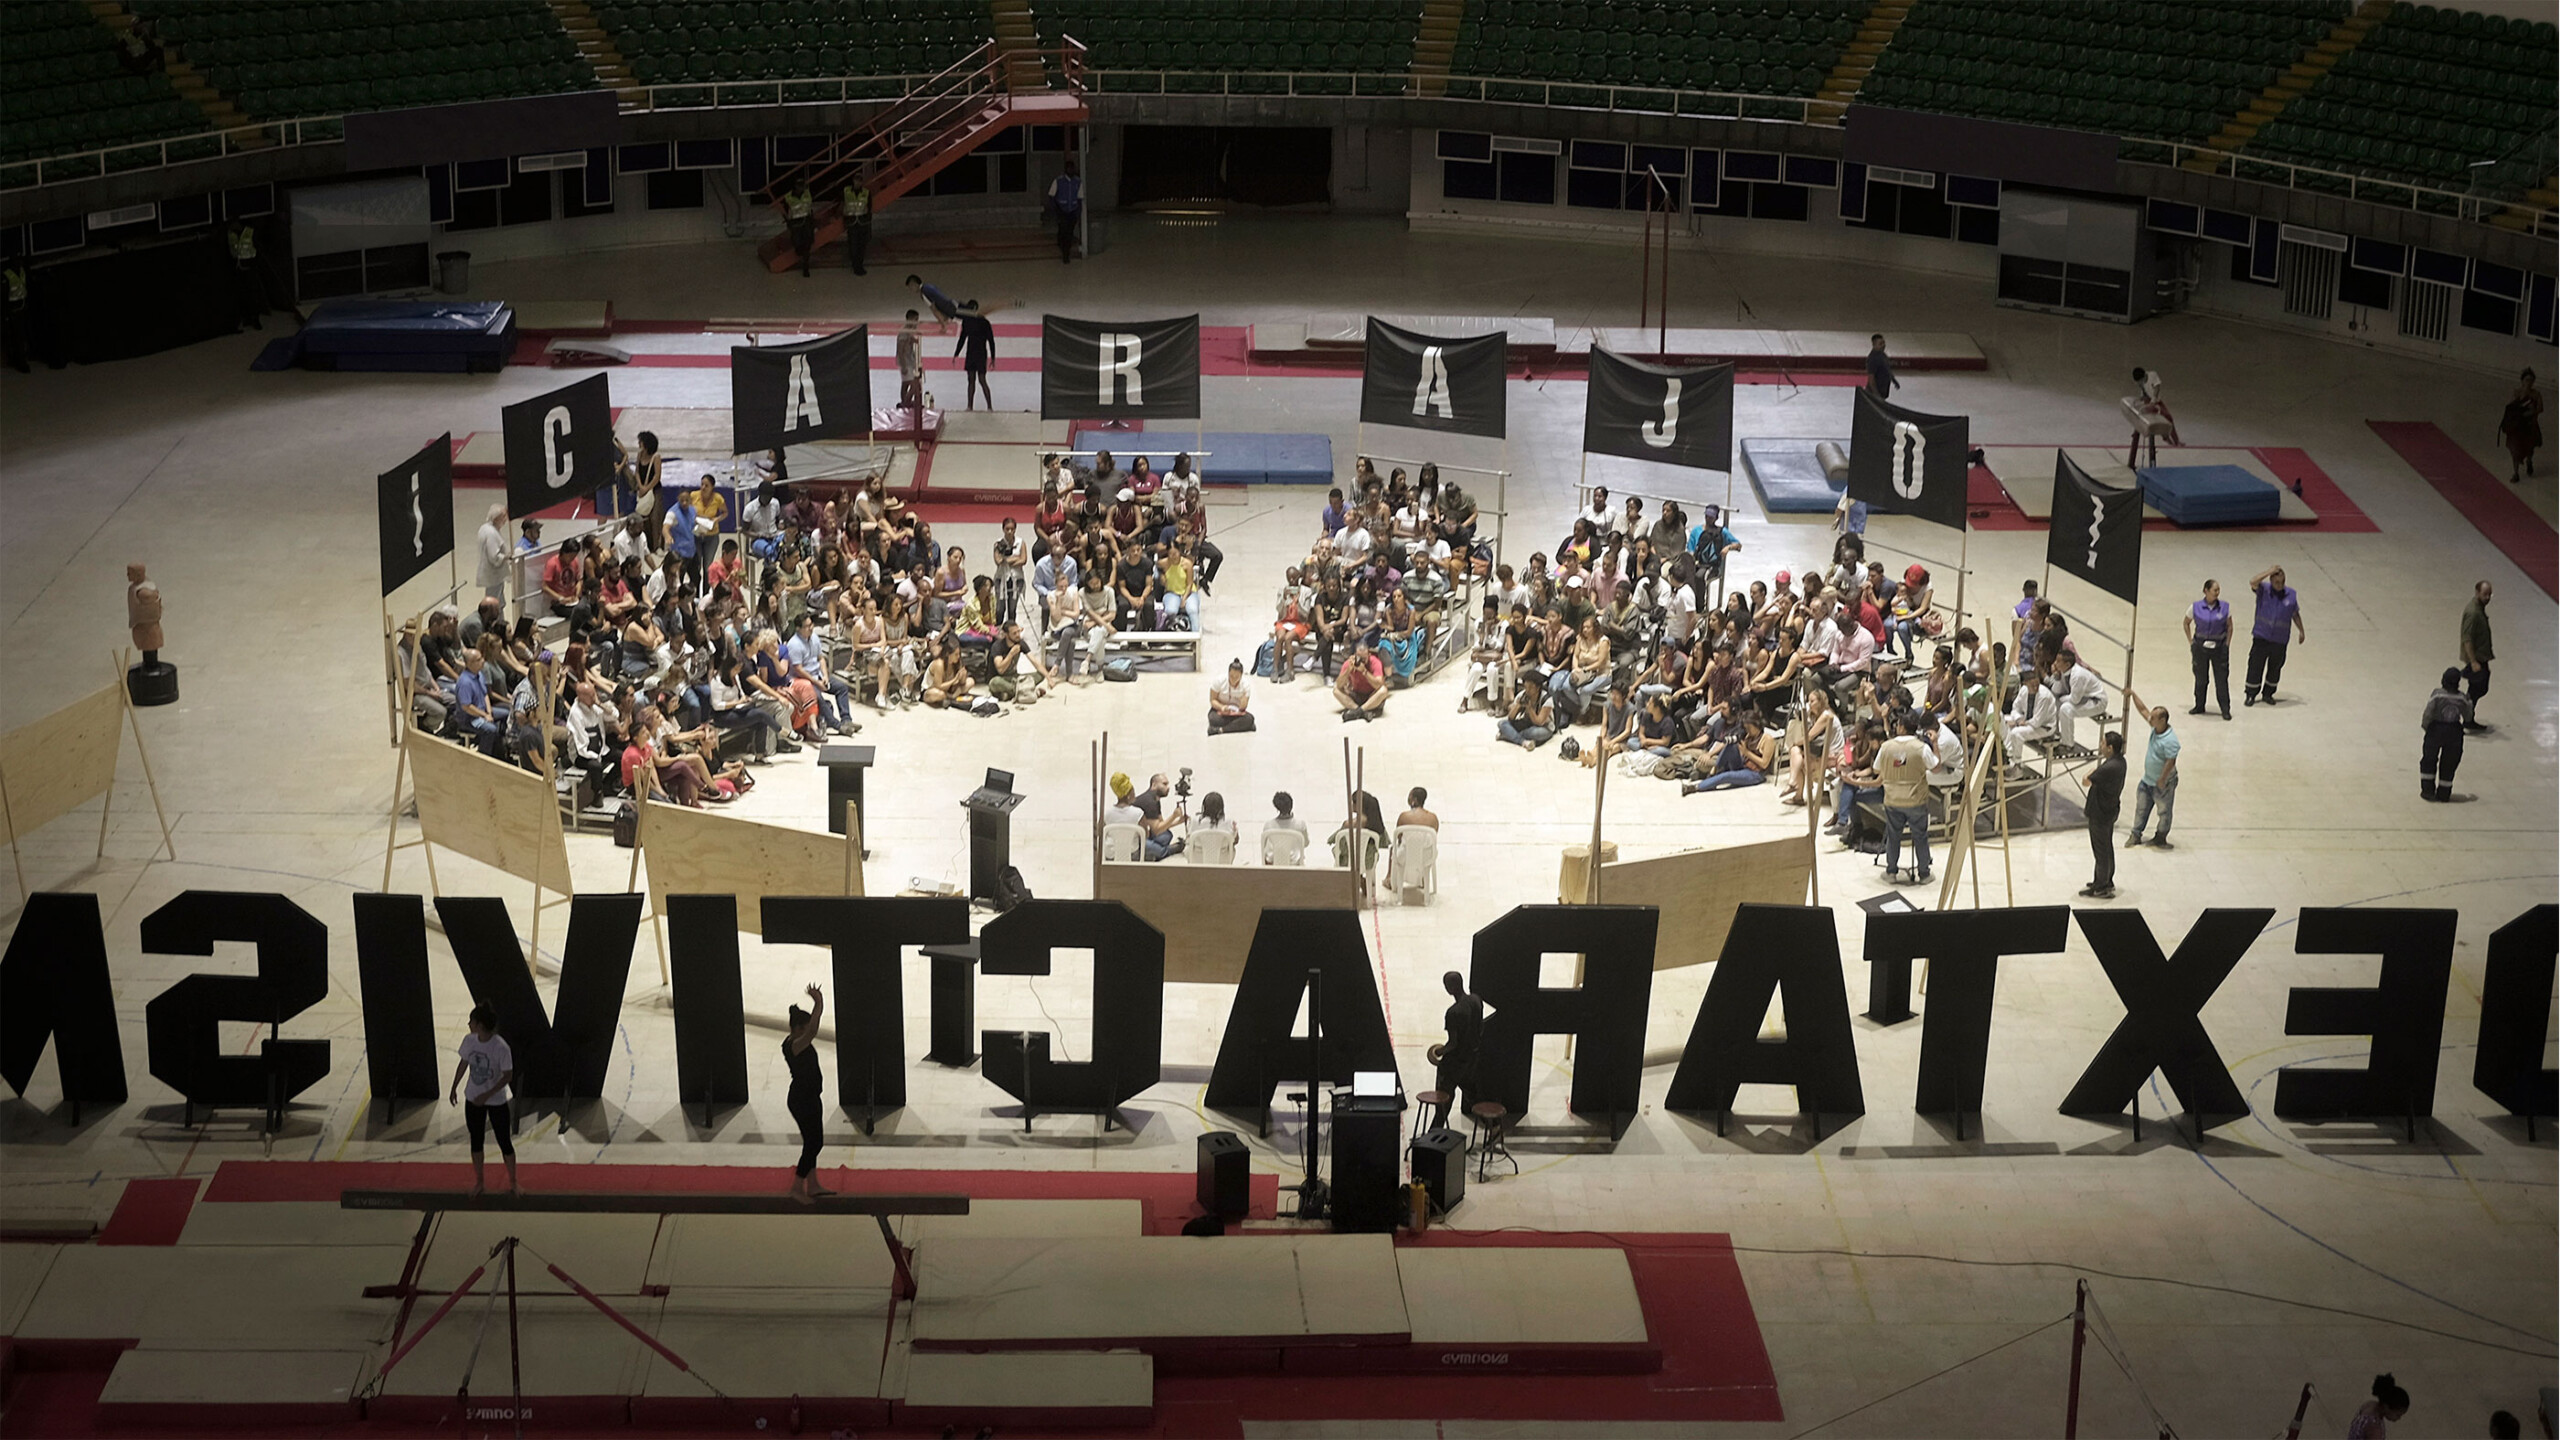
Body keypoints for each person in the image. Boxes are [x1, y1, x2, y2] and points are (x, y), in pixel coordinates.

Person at [447, 1005, 519, 1197]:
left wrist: (486, 1095)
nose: (468, 1024)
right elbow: (463, 1063)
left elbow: (508, 1076)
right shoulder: (469, 1041)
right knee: (476, 1140)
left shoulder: (500, 1047)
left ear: (479, 1025)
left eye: (471, 1021)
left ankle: (513, 1182)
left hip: (496, 1101)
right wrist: (454, 1086)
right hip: (473, 1099)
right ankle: (479, 1181)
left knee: (504, 1141)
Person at [783, 984, 830, 1203]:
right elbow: (813, 1030)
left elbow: (811, 1027)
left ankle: (812, 1184)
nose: (809, 1029)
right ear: (797, 1028)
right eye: (806, 1026)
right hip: (801, 1100)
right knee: (814, 1143)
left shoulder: (798, 1039)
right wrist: (818, 1003)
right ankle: (796, 1186)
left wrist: (817, 1005)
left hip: (811, 1097)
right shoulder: (794, 1045)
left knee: (814, 1140)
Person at [1877, 713, 1935, 885]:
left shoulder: (1886, 747)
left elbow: (1876, 768)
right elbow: (1934, 766)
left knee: (1893, 836)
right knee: (1920, 836)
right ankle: (1924, 873)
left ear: (1901, 726)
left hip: (1892, 799)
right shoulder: (1921, 747)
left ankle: (1891, 872)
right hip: (1916, 800)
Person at [2121, 689, 2179, 849]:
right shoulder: (2156, 727)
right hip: (2148, 780)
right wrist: (2133, 695)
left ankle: (2161, 836)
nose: (2150, 719)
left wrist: (2162, 779)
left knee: (2164, 811)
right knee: (2141, 808)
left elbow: (2171, 761)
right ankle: (2136, 834)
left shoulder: (2170, 740)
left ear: (2163, 720)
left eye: (2153, 718)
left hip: (2163, 783)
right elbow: (2143, 710)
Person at [1426, 971, 1483, 1131]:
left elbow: (1453, 1043)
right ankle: (1493, 1126)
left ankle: (1434, 1132)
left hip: (1454, 1063)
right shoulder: (1476, 1000)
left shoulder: (1453, 1012)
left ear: (1450, 987)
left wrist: (1439, 1052)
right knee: (1472, 1094)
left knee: (1443, 1098)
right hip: (1471, 1059)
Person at [2243, 565, 2305, 706]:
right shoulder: (2263, 590)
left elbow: (2295, 614)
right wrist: (2270, 571)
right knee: (2255, 666)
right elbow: (2253, 581)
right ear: (2271, 581)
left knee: (2275, 667)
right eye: (2277, 582)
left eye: (2282, 582)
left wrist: (2301, 630)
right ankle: (2251, 694)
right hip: (2262, 636)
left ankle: (2268, 693)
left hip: (2280, 639)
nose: (2280, 585)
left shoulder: (2291, 594)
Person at [2081, 731, 2125, 899]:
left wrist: (2090, 772)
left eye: (2102, 743)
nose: (2100, 746)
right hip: (2109, 810)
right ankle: (2105, 880)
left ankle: (2101, 886)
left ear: (2110, 748)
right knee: (2106, 847)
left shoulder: (2109, 767)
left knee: (2101, 851)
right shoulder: (2121, 762)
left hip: (2100, 813)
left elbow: (2086, 781)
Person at [2420, 666, 2473, 802]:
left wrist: (2427, 728)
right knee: (2449, 763)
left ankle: (2427, 791)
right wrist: (2470, 702)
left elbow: (2428, 713)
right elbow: (2468, 717)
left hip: (2436, 729)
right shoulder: (2462, 698)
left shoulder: (2437, 694)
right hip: (2454, 732)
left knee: (2429, 760)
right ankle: (2444, 793)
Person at [2184, 578, 2232, 718]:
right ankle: (2199, 705)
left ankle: (2225, 709)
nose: (2217, 593)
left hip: (2219, 648)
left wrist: (2227, 644)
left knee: (2221, 679)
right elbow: (2186, 623)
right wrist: (2191, 642)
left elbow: (2230, 626)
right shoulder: (2195, 607)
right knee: (2200, 679)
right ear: (2206, 591)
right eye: (2214, 590)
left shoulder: (2225, 607)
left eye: (2218, 590)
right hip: (2200, 648)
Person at [2458, 580, 2494, 731]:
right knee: (2477, 689)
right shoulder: (2473, 612)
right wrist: (2473, 661)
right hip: (2477, 658)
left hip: (2481, 656)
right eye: (2485, 594)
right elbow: (2467, 639)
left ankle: (2468, 716)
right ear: (2477, 592)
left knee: (2479, 688)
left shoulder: (2479, 609)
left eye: (2489, 594)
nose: (2487, 597)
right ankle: (2466, 717)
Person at [2496, 367, 2542, 482]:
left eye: (2531, 380)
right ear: (2522, 381)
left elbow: (2540, 408)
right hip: (2517, 427)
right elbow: (2510, 407)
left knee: (2530, 448)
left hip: (2530, 426)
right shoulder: (2516, 392)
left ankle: (2529, 461)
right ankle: (2516, 473)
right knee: (2515, 450)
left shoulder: (2536, 394)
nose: (2529, 382)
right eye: (2527, 380)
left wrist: (2532, 412)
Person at [1334, 637, 1388, 721]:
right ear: (1355, 655)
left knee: (1383, 690)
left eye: (1364, 659)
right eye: (1359, 658)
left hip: (1372, 696)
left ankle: (1357, 712)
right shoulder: (1349, 663)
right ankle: (1362, 712)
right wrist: (1348, 670)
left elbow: (1379, 685)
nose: (1361, 661)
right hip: (1356, 695)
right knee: (1336, 690)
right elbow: (1339, 684)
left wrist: (1365, 672)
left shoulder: (1375, 662)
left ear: (1369, 655)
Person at [955, 302, 996, 410]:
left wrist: (993, 357)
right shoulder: (970, 321)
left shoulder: (983, 322)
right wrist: (956, 353)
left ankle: (988, 406)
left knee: (980, 380)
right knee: (972, 379)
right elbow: (962, 338)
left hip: (978, 353)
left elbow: (991, 341)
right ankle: (970, 406)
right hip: (975, 353)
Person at [1497, 677, 1555, 749]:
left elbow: (1539, 722)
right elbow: (1510, 718)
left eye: (1531, 687)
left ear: (1538, 688)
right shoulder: (1522, 695)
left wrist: (1530, 708)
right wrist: (1518, 706)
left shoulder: (1547, 699)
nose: (1527, 690)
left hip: (1544, 727)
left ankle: (1508, 735)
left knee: (1533, 733)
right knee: (1502, 723)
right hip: (1526, 723)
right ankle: (1523, 741)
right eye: (1525, 687)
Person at [2346, 1373, 2409, 1439]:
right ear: (2386, 1407)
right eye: (2398, 1415)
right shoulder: (2375, 1429)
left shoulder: (2369, 1404)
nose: (2399, 1418)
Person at [1047, 158, 1082, 263]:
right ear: (1066, 169)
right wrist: (1056, 210)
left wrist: (1078, 212)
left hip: (1073, 210)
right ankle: (1065, 253)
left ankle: (1066, 250)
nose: (1071, 170)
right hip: (1062, 210)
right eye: (1069, 168)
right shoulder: (1058, 181)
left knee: (1069, 232)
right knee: (1064, 231)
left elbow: (1080, 198)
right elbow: (1051, 196)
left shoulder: (1078, 182)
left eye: (1072, 168)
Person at [475, 503, 510, 606]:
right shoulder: (491, 534)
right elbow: (494, 557)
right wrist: (506, 557)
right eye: (503, 517)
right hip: (494, 574)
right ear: (495, 519)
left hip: (493, 574)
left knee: (499, 601)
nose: (505, 520)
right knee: (494, 602)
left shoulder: (485, 528)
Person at [1208, 658, 1255, 734]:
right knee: (1213, 719)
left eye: (1237, 677)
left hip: (1237, 713)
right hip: (1220, 710)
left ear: (1241, 675)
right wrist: (1222, 707)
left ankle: (1221, 730)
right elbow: (1213, 700)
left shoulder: (1245, 686)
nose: (1233, 679)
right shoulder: (1219, 681)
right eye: (1231, 676)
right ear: (1228, 673)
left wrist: (1242, 702)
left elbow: (1243, 707)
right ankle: (1239, 727)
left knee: (1249, 719)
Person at [839, 175, 872, 275]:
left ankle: (860, 265)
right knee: (853, 245)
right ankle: (855, 266)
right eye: (856, 180)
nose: (858, 182)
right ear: (853, 181)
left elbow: (869, 207)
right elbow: (841, 204)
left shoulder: (866, 192)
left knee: (862, 245)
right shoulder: (846, 191)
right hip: (851, 221)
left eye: (860, 181)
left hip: (863, 222)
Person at [895, 310, 924, 413]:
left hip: (909, 360)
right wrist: (903, 366)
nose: (917, 322)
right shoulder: (904, 332)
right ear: (910, 319)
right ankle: (905, 403)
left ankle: (904, 401)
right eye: (915, 320)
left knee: (905, 384)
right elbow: (900, 350)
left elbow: (910, 339)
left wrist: (914, 339)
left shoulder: (909, 330)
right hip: (905, 361)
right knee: (914, 385)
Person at [1865, 333, 1897, 398]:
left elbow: (1887, 368)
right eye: (1880, 344)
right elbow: (1871, 378)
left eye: (1884, 343)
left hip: (1883, 389)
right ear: (1874, 345)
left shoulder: (1882, 354)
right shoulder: (1872, 359)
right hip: (1874, 393)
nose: (1883, 345)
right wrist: (1876, 394)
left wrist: (1893, 379)